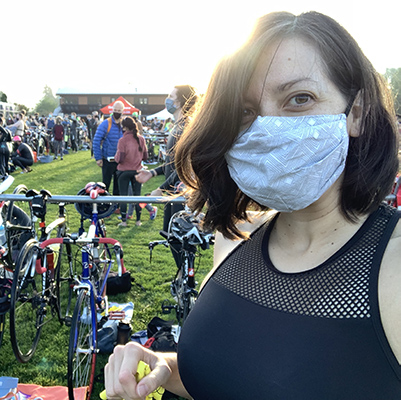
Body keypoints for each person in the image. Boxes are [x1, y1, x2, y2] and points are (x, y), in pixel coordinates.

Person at [105, 11, 401, 400]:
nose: (266, 129)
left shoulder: (392, 266)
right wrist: (163, 366)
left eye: (299, 99)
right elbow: (233, 376)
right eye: (246, 112)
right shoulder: (236, 237)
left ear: (356, 113)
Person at [136, 85, 198, 266]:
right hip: (174, 192)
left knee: (180, 239)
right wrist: (152, 172)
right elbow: (172, 163)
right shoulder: (177, 126)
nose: (168, 99)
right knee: (172, 236)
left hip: (181, 192)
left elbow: (183, 168)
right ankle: (183, 280)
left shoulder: (185, 128)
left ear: (179, 102)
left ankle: (187, 284)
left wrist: (160, 189)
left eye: (171, 96)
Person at [114, 116, 157, 227]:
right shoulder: (141, 139)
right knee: (137, 196)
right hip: (137, 170)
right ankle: (138, 220)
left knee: (123, 197)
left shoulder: (122, 140)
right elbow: (146, 156)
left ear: (124, 127)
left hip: (124, 171)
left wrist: (115, 157)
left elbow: (120, 158)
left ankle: (123, 221)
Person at [93, 101, 124, 195]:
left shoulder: (124, 124)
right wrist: (98, 158)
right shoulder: (105, 124)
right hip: (108, 159)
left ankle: (116, 206)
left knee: (118, 185)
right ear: (112, 110)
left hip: (121, 160)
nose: (117, 112)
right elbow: (96, 140)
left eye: (119, 110)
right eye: (115, 110)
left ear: (122, 111)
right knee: (105, 185)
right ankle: (103, 205)